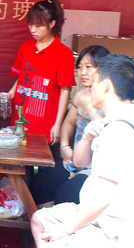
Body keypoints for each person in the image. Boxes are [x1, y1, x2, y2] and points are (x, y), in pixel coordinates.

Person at [31, 54, 134, 247]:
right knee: (39, 220)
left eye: (95, 82)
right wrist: (87, 138)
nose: (90, 88)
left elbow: (103, 198)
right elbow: (79, 162)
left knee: (52, 234)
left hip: (114, 231)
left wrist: (65, 229)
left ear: (105, 86)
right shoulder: (119, 120)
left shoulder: (118, 132)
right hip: (101, 217)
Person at [30, 45, 110, 206]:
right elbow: (68, 122)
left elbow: (105, 132)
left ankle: (59, 221)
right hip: (75, 160)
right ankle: (44, 220)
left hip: (97, 167)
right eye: (79, 67)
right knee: (40, 183)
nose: (83, 72)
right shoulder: (80, 94)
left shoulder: (109, 98)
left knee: (65, 193)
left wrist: (89, 107)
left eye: (89, 67)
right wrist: (65, 146)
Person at [8, 0, 75, 149]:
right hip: (19, 120)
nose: (33, 30)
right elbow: (21, 76)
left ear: (52, 24)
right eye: (30, 25)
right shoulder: (25, 47)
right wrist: (10, 93)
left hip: (45, 124)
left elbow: (65, 90)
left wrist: (58, 124)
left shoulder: (63, 53)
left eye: (38, 26)